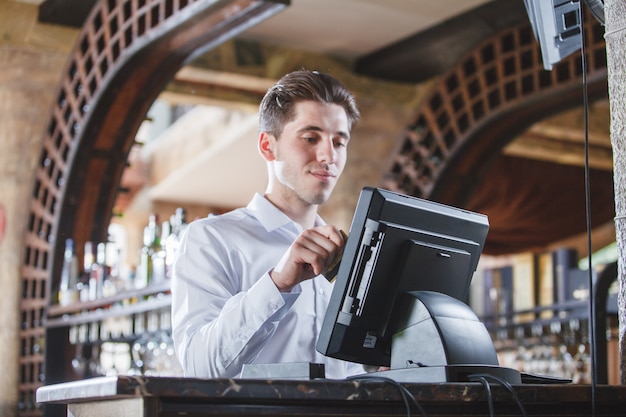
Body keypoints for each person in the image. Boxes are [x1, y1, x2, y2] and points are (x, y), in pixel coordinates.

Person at [171, 69, 365, 379]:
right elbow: (200, 368)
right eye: (311, 138)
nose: (329, 156)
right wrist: (278, 283)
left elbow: (347, 373)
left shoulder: (347, 254)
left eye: (339, 142)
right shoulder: (210, 239)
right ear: (267, 146)